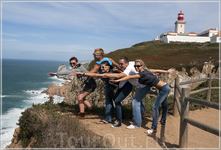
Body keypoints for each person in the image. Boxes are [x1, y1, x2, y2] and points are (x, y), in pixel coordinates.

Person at [98, 57, 174, 128]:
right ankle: (160, 119)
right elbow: (151, 70)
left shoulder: (135, 71)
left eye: (138, 66)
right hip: (162, 86)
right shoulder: (133, 65)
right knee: (163, 104)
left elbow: (128, 76)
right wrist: (166, 71)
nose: (136, 67)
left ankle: (136, 123)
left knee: (135, 101)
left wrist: (116, 80)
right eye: (135, 66)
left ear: (127, 63)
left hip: (149, 86)